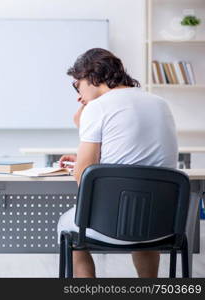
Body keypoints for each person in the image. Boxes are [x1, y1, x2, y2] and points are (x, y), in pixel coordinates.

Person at [57, 48, 178, 278]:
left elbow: (83, 177)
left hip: (110, 223)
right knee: (143, 226)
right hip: (161, 222)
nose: (78, 93)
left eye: (77, 85)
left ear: (91, 76)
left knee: (69, 229)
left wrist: (85, 113)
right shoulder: (161, 103)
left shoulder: (98, 108)